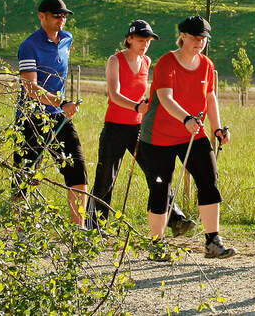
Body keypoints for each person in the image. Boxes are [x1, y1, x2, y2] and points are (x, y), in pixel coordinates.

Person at [137, 15, 236, 261]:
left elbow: (210, 98)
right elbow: (166, 98)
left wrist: (217, 128)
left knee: (209, 180)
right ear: (183, 36)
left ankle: (213, 241)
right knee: (161, 189)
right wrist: (186, 119)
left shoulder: (206, 65)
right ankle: (157, 244)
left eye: (203, 38)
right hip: (159, 136)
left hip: (194, 133)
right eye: (195, 37)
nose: (200, 42)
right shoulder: (166, 63)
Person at [85, 20, 196, 236]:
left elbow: (142, 93)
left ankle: (175, 219)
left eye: (148, 41)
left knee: (156, 171)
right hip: (115, 127)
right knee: (106, 176)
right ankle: (94, 226)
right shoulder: (115, 60)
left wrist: (147, 105)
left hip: (139, 127)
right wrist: (136, 106)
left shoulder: (147, 61)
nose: (145, 44)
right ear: (129, 39)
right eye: (140, 40)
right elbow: (114, 94)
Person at [14, 0, 87, 226]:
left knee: (78, 172)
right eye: (56, 15)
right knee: (25, 176)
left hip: (59, 117)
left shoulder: (67, 38)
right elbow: (31, 88)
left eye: (64, 15)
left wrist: (62, 106)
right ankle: (20, 233)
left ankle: (79, 231)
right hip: (31, 117)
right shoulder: (29, 45)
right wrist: (62, 102)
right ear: (41, 16)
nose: (61, 19)